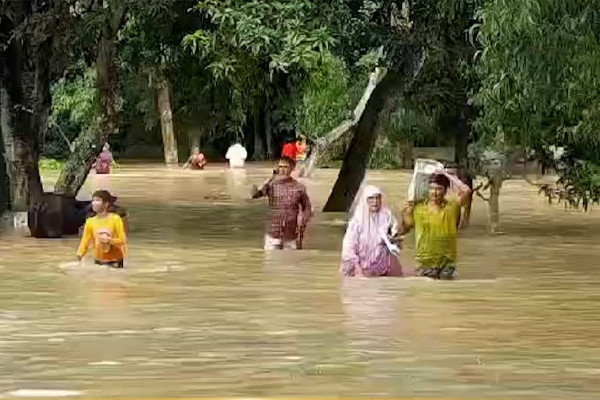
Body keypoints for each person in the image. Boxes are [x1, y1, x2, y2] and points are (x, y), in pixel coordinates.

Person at [401, 170, 472, 280]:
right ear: (427, 190)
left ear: (445, 191)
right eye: (431, 188)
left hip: (447, 263)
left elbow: (466, 191)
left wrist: (448, 175)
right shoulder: (418, 208)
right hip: (424, 263)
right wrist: (405, 212)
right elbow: (406, 227)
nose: (435, 192)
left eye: (439, 189)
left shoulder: (452, 207)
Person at [340, 185, 405, 277]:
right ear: (365, 201)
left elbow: (397, 238)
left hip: (381, 266)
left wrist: (394, 240)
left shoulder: (387, 216)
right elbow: (348, 248)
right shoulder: (357, 222)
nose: (375, 202)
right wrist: (358, 270)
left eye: (377, 198)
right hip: (358, 266)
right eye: (371, 198)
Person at [251, 157, 312, 250]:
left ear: (292, 168)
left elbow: (307, 207)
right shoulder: (271, 185)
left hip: (291, 232)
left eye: (285, 167)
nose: (282, 170)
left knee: (290, 261)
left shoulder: (299, 187)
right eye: (280, 167)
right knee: (271, 262)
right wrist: (270, 178)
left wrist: (303, 220)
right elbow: (255, 195)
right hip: (273, 231)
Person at [77, 190, 127, 268]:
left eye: (97, 200)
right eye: (93, 200)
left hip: (115, 261)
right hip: (99, 261)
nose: (94, 203)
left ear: (106, 204)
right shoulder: (90, 221)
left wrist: (108, 240)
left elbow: (122, 241)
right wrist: (79, 255)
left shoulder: (115, 219)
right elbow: (85, 242)